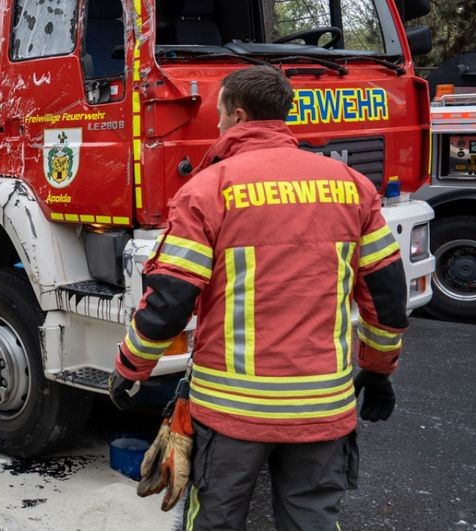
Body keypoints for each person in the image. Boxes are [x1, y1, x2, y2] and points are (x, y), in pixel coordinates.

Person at [107, 67, 407, 530]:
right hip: (321, 406)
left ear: (240, 115)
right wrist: (379, 370)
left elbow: (169, 303)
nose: (219, 126)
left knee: (217, 521)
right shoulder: (351, 186)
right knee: (312, 521)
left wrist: (130, 368)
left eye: (221, 115)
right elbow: (386, 298)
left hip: (231, 412)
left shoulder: (208, 190)